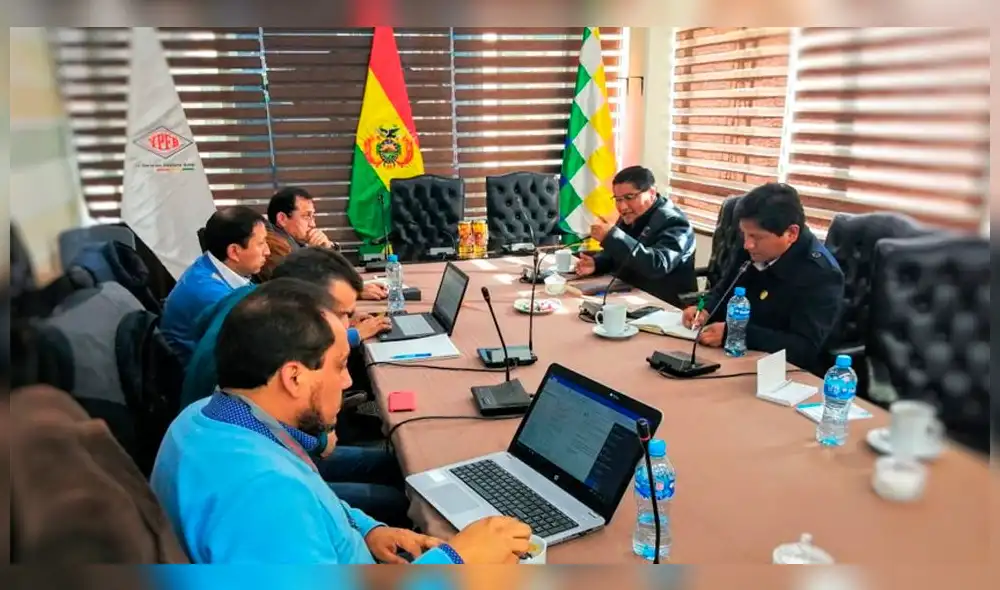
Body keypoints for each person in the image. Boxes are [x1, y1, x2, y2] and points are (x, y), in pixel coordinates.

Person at [151, 279, 532, 563]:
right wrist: (457, 561)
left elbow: (315, 503)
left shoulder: (204, 417)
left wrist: (367, 530)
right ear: (294, 377)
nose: (348, 381)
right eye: (339, 365)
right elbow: (285, 506)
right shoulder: (263, 494)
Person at [181, 248, 399, 524]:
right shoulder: (268, 487)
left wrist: (368, 529)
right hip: (262, 464)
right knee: (394, 497)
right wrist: (321, 437)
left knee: (392, 465)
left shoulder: (249, 306)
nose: (347, 381)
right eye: (340, 314)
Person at [681, 182, 845, 372]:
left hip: (782, 372)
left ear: (791, 233)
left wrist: (735, 333)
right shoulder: (752, 249)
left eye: (756, 237)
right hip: (732, 358)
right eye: (745, 234)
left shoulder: (821, 274)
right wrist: (705, 309)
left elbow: (803, 348)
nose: (747, 244)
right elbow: (723, 290)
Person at [574, 165, 698, 308]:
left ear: (651, 193)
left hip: (664, 304)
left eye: (629, 197)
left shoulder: (674, 222)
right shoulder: (631, 214)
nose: (622, 207)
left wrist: (612, 237)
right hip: (627, 294)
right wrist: (597, 263)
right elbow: (619, 254)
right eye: (618, 199)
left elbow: (656, 265)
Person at [161, 206, 269, 364]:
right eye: (261, 243)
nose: (267, 251)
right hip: (195, 373)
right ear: (234, 251)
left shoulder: (210, 262)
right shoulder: (213, 295)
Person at [261, 187, 387, 301]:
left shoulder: (294, 243)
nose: (313, 224)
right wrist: (353, 292)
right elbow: (302, 289)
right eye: (307, 216)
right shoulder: (274, 245)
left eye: (313, 216)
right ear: (282, 219)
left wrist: (328, 249)